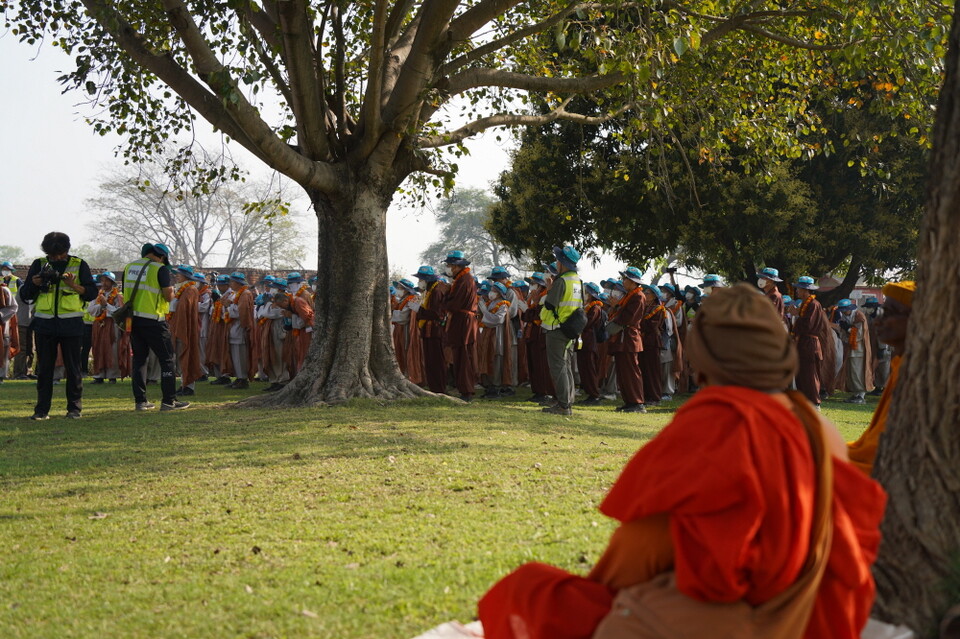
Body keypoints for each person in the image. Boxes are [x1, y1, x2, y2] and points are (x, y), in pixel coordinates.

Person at [478, 284, 887, 639]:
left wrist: (610, 590)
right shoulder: (819, 427)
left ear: (703, 350)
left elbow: (639, 546)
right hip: (811, 616)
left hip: (720, 617)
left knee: (527, 590)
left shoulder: (715, 419)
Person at [19, 232, 98, 419]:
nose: (55, 258)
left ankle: (74, 409)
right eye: (51, 255)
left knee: (73, 367)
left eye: (59, 254)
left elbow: (91, 293)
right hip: (44, 323)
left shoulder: (79, 265)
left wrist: (73, 285)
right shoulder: (39, 264)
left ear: (66, 250)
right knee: (44, 369)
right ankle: (41, 410)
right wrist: (34, 283)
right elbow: (25, 295)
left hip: (71, 323)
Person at [847, 282, 914, 476]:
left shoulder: (916, 373)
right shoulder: (902, 365)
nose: (878, 321)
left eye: (889, 313)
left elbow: (876, 453)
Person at [123, 243, 190, 412]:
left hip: (133, 319)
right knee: (167, 359)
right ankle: (169, 401)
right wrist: (173, 290)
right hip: (154, 320)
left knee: (139, 360)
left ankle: (140, 402)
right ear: (162, 257)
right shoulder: (160, 269)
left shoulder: (129, 267)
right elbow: (168, 296)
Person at [540, 246, 583, 416]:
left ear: (563, 263)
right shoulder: (578, 281)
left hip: (556, 328)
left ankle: (563, 406)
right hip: (570, 329)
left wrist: (549, 289)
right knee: (566, 366)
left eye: (558, 260)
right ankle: (567, 403)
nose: (556, 263)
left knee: (558, 367)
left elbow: (549, 304)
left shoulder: (561, 281)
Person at [607, 267, 647, 413]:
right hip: (622, 338)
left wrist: (615, 316)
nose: (623, 281)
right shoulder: (629, 295)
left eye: (625, 279)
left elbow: (628, 318)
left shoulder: (638, 296)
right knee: (623, 371)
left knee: (631, 371)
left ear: (633, 282)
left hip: (629, 338)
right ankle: (629, 401)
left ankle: (637, 403)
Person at [442, 250, 479, 402]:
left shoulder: (464, 280)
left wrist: (445, 295)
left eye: (450, 265)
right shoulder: (461, 279)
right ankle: (464, 388)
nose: (448, 268)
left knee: (463, 356)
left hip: (463, 321)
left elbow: (454, 304)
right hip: (461, 320)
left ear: (457, 266)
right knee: (460, 355)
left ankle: (466, 391)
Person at [792, 275, 828, 409]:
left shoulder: (813, 304)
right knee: (801, 374)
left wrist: (796, 315)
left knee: (809, 374)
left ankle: (814, 403)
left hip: (809, 343)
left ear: (805, 290)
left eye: (799, 289)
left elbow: (808, 324)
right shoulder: (805, 304)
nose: (797, 291)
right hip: (803, 342)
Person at [87, 272, 128, 383]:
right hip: (99, 324)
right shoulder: (97, 295)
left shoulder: (118, 296)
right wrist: (101, 306)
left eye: (107, 280)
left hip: (112, 324)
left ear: (112, 282)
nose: (104, 283)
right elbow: (90, 310)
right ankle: (99, 375)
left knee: (112, 349)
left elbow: (119, 312)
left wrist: (106, 305)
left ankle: (112, 375)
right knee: (98, 348)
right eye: (102, 280)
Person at [413, 266, 448, 394]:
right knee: (430, 359)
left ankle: (439, 388)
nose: (419, 282)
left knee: (436, 360)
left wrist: (419, 310)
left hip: (435, 330)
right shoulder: (429, 291)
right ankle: (433, 386)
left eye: (421, 279)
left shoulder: (437, 291)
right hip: (428, 330)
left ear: (427, 279)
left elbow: (436, 313)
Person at [169, 265, 203, 396]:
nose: (177, 276)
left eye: (179, 274)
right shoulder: (182, 289)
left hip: (186, 328)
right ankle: (184, 383)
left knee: (187, 355)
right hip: (179, 326)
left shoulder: (190, 289)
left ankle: (189, 386)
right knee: (180, 357)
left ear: (186, 276)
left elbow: (185, 309)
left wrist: (174, 304)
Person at [522, 272, 554, 403]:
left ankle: (544, 392)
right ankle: (537, 391)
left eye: (534, 283)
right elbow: (526, 316)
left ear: (541, 286)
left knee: (540, 364)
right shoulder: (533, 298)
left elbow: (537, 315)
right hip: (531, 334)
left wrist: (534, 305)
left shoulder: (545, 298)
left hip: (540, 334)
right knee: (533, 364)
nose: (531, 286)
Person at [836, 298, 874, 404]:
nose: (843, 312)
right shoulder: (844, 317)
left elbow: (859, 334)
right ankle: (856, 394)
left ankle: (861, 395)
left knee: (858, 372)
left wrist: (848, 328)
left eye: (845, 310)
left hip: (859, 349)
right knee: (852, 372)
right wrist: (844, 330)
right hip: (850, 348)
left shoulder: (859, 316)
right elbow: (844, 333)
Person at [577, 282, 606, 405]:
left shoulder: (595, 308)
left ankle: (594, 395)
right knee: (584, 369)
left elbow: (587, 323)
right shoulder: (586, 306)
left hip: (589, 343)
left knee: (590, 369)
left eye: (586, 292)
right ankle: (590, 394)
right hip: (583, 342)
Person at [226, 271, 255, 389]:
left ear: (238, 283)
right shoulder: (236, 293)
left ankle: (243, 379)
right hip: (233, 328)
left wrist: (228, 306)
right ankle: (238, 377)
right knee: (235, 355)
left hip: (240, 328)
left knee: (240, 355)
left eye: (232, 282)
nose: (230, 284)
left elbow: (241, 312)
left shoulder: (245, 294)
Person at [657, 282, 684, 401]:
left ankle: (668, 391)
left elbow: (678, 322)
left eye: (665, 291)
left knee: (669, 366)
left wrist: (667, 319)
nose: (662, 293)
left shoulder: (676, 305)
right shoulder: (660, 304)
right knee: (660, 365)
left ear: (670, 294)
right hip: (660, 337)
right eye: (662, 290)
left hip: (670, 338)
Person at [206, 275, 234, 385]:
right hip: (216, 325)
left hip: (224, 326)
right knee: (215, 349)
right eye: (218, 285)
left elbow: (228, 311)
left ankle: (225, 375)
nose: (219, 287)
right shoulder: (221, 295)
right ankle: (219, 375)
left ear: (227, 285)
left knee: (223, 350)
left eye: (221, 285)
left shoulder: (231, 295)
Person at [0, 273, 18, 383]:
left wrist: (1, 315)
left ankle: (1, 376)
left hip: (2, 327)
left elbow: (13, 307)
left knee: (3, 351)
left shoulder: (4, 290)